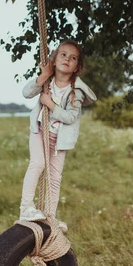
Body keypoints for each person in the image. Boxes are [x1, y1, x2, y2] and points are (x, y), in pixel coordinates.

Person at [19, 39, 97, 232]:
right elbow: (26, 93)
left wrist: (51, 105)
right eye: (63, 55)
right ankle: (25, 208)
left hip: (60, 140)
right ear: (54, 60)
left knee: (54, 178)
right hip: (40, 130)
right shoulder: (47, 81)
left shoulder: (75, 92)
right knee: (37, 163)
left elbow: (70, 117)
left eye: (73, 58)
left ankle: (50, 216)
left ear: (77, 67)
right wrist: (43, 75)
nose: (67, 59)